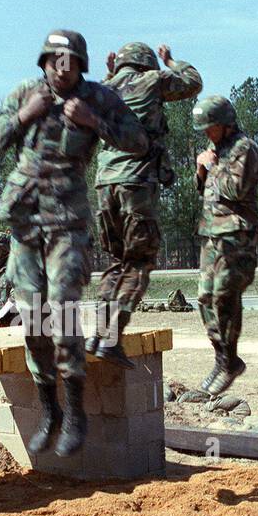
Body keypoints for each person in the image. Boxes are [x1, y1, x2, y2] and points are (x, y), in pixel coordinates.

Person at [0, 29, 147, 458]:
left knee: (63, 307)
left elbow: (138, 140)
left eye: (71, 60)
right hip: (24, 224)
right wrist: (23, 117)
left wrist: (96, 123)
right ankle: (49, 408)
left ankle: (76, 412)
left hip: (67, 223)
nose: (63, 66)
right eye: (56, 58)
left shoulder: (98, 98)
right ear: (44, 61)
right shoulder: (24, 93)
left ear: (81, 65)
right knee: (34, 319)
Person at [91, 41, 202, 365]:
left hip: (104, 182)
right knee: (139, 263)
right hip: (136, 181)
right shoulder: (153, 79)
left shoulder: (104, 87)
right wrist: (172, 61)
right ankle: (111, 340)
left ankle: (101, 335)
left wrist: (109, 74)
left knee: (116, 261)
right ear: (146, 63)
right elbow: (193, 82)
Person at [192, 95, 258, 396]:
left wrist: (212, 166)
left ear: (225, 123)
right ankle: (223, 357)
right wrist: (200, 170)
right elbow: (205, 192)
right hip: (212, 235)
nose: (207, 133)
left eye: (211, 127)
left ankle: (230, 359)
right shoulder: (216, 151)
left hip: (236, 237)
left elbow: (235, 189)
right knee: (204, 298)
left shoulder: (244, 149)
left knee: (224, 295)